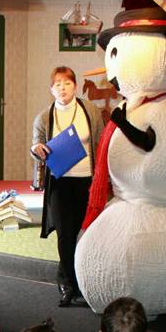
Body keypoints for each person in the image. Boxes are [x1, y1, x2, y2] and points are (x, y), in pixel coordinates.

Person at [30, 67, 104, 307]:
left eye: (67, 83)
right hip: (59, 182)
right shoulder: (44, 117)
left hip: (86, 181)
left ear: (75, 86)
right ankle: (70, 285)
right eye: (57, 84)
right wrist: (37, 150)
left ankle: (79, 279)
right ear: (51, 89)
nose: (62, 88)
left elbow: (101, 142)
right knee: (64, 234)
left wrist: (104, 177)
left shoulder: (90, 110)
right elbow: (36, 146)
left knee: (83, 232)